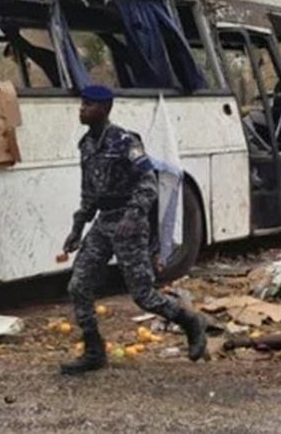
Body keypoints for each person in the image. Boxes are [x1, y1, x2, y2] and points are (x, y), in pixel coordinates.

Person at [60, 84, 208, 375]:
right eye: (82, 104)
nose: (82, 110)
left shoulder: (125, 142)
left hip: (131, 224)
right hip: (105, 221)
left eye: (88, 105)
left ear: (104, 109)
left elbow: (148, 183)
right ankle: (94, 351)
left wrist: (134, 214)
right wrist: (77, 228)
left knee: (143, 295)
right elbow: (88, 194)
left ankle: (190, 321)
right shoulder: (86, 146)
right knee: (78, 286)